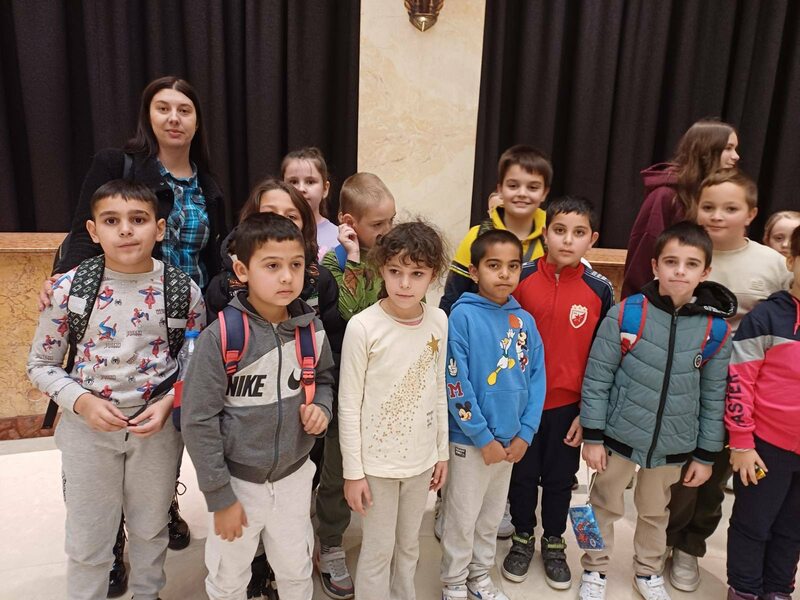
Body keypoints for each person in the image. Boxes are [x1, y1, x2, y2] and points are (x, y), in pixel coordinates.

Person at [39, 76, 227, 595]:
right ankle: (110, 545)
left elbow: (215, 255)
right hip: (111, 299)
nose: (174, 118)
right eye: (163, 108)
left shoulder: (208, 183)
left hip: (177, 311)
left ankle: (158, 512)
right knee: (93, 522)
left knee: (154, 478)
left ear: (197, 120)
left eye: (184, 109)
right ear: (148, 115)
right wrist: (68, 283)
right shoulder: (119, 166)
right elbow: (83, 228)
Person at [27, 180, 206, 600]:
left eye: (138, 219)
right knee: (90, 536)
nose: (125, 229)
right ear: (93, 231)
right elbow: (41, 364)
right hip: (87, 435)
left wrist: (169, 402)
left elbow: (194, 365)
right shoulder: (70, 289)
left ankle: (148, 592)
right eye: (111, 221)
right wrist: (82, 401)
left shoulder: (184, 291)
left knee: (151, 527)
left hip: (155, 434)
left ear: (159, 229)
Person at [180, 212, 335, 600]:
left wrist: (322, 409)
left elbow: (325, 380)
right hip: (237, 484)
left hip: (295, 479)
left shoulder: (311, 329)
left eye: (295, 265)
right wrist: (220, 496)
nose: (286, 277)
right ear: (242, 270)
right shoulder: (222, 337)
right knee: (229, 577)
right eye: (272, 266)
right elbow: (198, 421)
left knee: (296, 570)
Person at [578, 222, 736, 600]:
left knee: (655, 512)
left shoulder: (715, 330)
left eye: (691, 264)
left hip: (672, 446)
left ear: (705, 272)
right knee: (599, 505)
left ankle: (648, 571)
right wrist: (593, 436)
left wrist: (705, 455)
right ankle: (593, 566)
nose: (680, 271)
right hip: (617, 437)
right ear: (654, 266)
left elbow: (714, 397)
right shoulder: (626, 314)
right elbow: (597, 378)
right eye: (671, 262)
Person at [666, 169, 792, 591]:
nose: (717, 216)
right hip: (686, 386)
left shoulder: (771, 264)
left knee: (715, 478)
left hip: (743, 393)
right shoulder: (684, 252)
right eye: (708, 207)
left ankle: (690, 546)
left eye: (730, 208)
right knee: (679, 473)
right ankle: (665, 539)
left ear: (751, 214)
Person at [501, 196, 614, 589]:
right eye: (560, 230)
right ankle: (521, 536)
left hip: (568, 409)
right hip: (520, 405)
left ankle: (553, 541)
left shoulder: (599, 289)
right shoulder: (520, 278)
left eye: (579, 233)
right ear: (545, 233)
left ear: (592, 239)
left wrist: (588, 414)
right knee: (521, 475)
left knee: (560, 479)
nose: (568, 240)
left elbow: (604, 358)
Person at [338, 221, 450, 600]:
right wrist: (353, 472)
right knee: (377, 551)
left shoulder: (439, 320)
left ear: (432, 275)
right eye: (395, 271)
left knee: (409, 546)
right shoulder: (363, 327)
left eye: (417, 274)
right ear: (381, 269)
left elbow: (438, 390)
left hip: (420, 461)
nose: (404, 284)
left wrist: (441, 452)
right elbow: (348, 405)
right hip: (376, 466)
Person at [440, 229, 546, 600]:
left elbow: (537, 379)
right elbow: (456, 381)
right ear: (474, 271)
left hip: (510, 441)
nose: (504, 274)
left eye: (513, 266)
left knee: (490, 517)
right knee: (462, 516)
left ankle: (479, 576)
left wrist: (526, 433)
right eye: (494, 265)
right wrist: (483, 438)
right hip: (471, 441)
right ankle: (454, 581)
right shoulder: (462, 316)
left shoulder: (525, 321)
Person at [313, 172, 396, 598]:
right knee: (338, 469)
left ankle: (380, 540)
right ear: (349, 222)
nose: (387, 230)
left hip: (384, 385)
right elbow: (351, 313)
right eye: (378, 224)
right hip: (347, 385)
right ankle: (329, 542)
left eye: (391, 220)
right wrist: (353, 258)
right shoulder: (332, 262)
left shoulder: (393, 259)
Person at [724, 223, 800, 600]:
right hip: (764, 447)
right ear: (791, 261)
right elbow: (739, 381)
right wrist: (741, 442)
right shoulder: (766, 317)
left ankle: (778, 590)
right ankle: (745, 590)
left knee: (792, 529)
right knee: (753, 524)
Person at [622, 118, 739, 298]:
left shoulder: (722, 193)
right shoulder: (665, 195)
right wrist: (636, 304)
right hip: (664, 300)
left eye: (735, 149)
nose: (736, 156)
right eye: (728, 148)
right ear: (706, 150)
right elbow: (643, 253)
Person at [439, 144, 551, 315]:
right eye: (513, 185)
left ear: (544, 193)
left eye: (533, 187)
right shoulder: (477, 235)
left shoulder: (551, 239)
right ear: (500, 189)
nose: (522, 193)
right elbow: (453, 296)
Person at [282, 147, 340, 260]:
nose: (301, 189)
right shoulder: (272, 232)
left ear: (325, 189)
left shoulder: (338, 238)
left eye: (310, 182)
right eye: (293, 182)